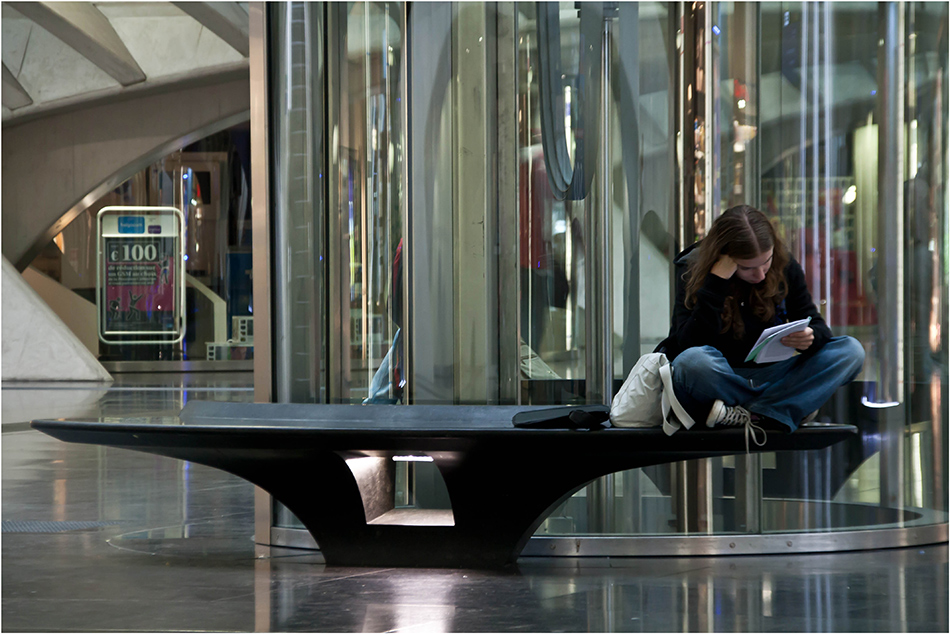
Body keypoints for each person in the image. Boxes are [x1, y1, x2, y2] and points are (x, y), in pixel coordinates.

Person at [656, 205, 865, 440]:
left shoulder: (784, 265)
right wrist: (716, 283)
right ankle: (784, 405)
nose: (761, 275)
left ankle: (750, 410)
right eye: (747, 267)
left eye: (766, 262)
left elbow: (815, 323)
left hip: (768, 375)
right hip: (717, 376)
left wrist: (810, 336)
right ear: (724, 258)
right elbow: (687, 345)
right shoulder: (692, 270)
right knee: (692, 362)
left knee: (850, 351)